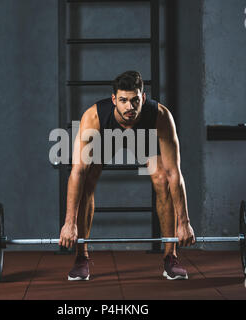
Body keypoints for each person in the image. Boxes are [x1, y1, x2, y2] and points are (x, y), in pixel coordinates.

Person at [59, 71, 195, 280]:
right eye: (123, 100)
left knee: (162, 179)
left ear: (143, 97)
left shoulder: (160, 116)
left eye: (134, 100)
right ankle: (81, 257)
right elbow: (77, 171)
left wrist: (184, 223)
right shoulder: (93, 118)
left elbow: (174, 172)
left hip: (143, 137)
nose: (129, 107)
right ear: (114, 100)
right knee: (87, 179)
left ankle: (171, 256)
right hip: (106, 138)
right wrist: (69, 223)